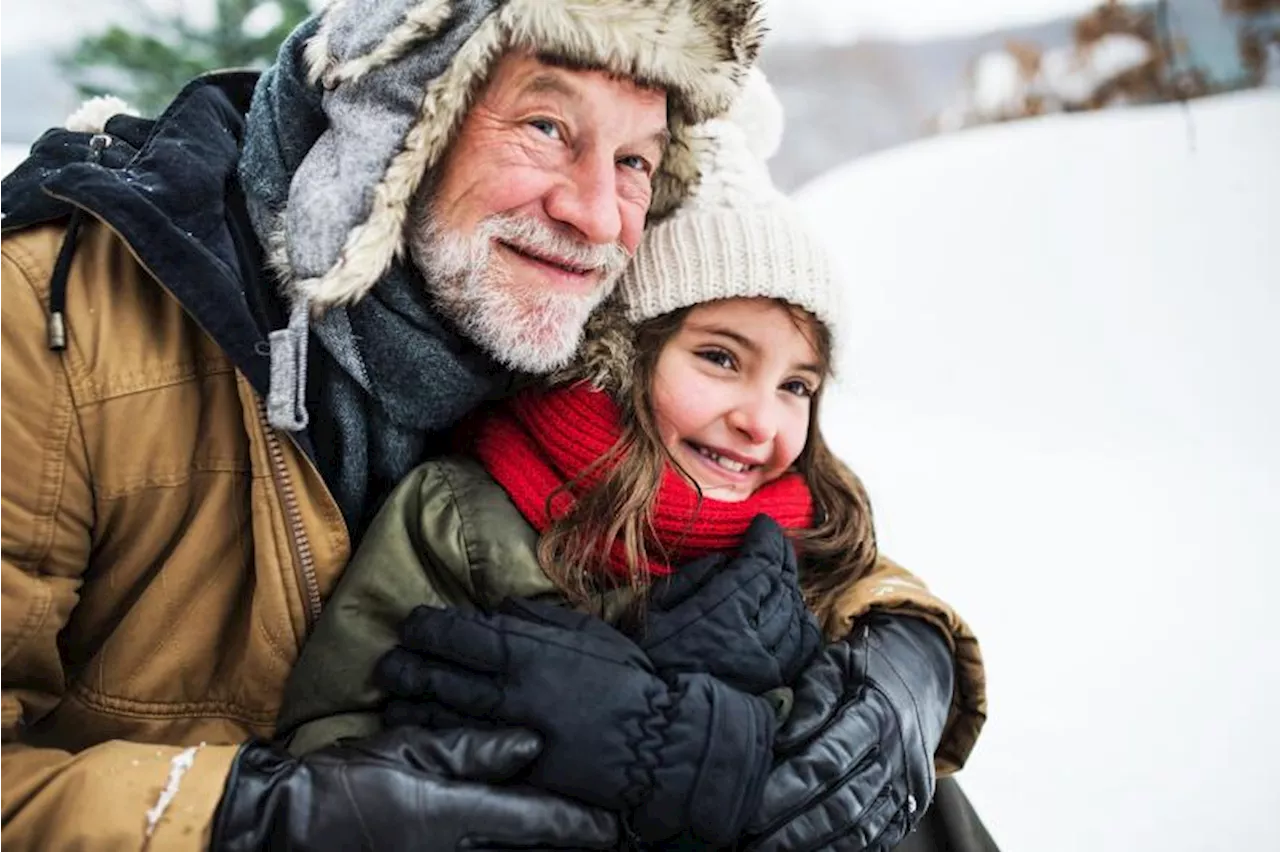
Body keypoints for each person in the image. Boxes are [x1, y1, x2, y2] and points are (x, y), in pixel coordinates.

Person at [0, 1, 770, 848]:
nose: (594, 216)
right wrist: (252, 819)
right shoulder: (50, 322)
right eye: (548, 126)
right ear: (402, 120)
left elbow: (795, 501)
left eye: (633, 160)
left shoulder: (577, 334)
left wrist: (900, 663)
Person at [273, 75, 988, 850]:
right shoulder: (466, 518)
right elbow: (340, 751)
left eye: (796, 386)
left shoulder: (810, 540)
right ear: (622, 356)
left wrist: (743, 736)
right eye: (719, 358)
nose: (759, 420)